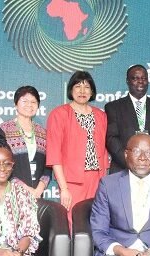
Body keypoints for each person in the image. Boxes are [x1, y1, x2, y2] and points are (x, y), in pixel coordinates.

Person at [46, 71, 108, 225]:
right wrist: (64, 188)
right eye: (78, 86)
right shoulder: (59, 114)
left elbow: (105, 151)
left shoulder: (101, 116)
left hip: (97, 180)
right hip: (72, 182)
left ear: (92, 91)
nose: (82, 91)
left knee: (96, 222)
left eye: (86, 87)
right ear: (70, 89)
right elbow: (54, 154)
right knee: (73, 222)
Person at [106, 64, 150, 173]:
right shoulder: (113, 107)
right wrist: (130, 161)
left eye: (144, 78)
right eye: (135, 78)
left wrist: (148, 163)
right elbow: (111, 139)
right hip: (122, 169)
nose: (140, 81)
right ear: (127, 81)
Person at [0, 86, 51, 198]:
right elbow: (1, 164)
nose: (29, 105)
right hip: (11, 192)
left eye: (33, 102)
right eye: (24, 101)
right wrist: (24, 188)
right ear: (16, 104)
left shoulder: (43, 132)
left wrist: (40, 188)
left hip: (37, 193)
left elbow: (48, 165)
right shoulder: (3, 129)